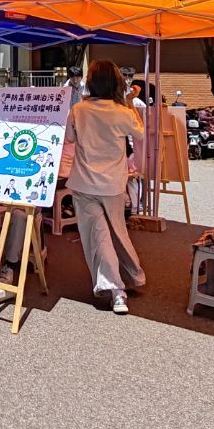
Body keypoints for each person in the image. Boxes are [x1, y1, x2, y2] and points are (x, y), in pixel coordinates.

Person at [64, 60, 147, 315]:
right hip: (113, 184)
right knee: (118, 232)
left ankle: (116, 289)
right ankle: (133, 276)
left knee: (99, 236)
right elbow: (140, 133)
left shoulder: (79, 110)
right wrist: (129, 101)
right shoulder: (122, 111)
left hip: (84, 183)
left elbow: (69, 138)